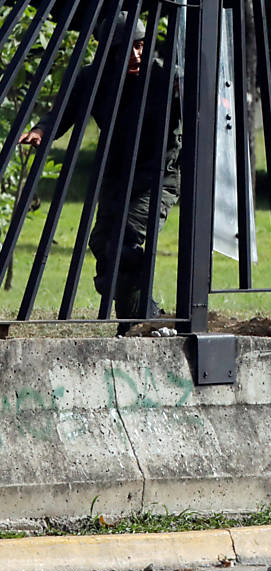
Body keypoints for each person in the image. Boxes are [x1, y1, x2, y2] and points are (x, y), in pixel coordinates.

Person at [20, 12, 181, 335]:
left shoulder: (165, 78)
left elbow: (189, 115)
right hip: (117, 173)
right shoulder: (93, 78)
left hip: (155, 176)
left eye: (140, 46)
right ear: (109, 52)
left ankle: (141, 321)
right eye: (126, 48)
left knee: (124, 241)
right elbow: (64, 109)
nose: (136, 54)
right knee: (102, 243)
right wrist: (41, 130)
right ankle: (138, 318)